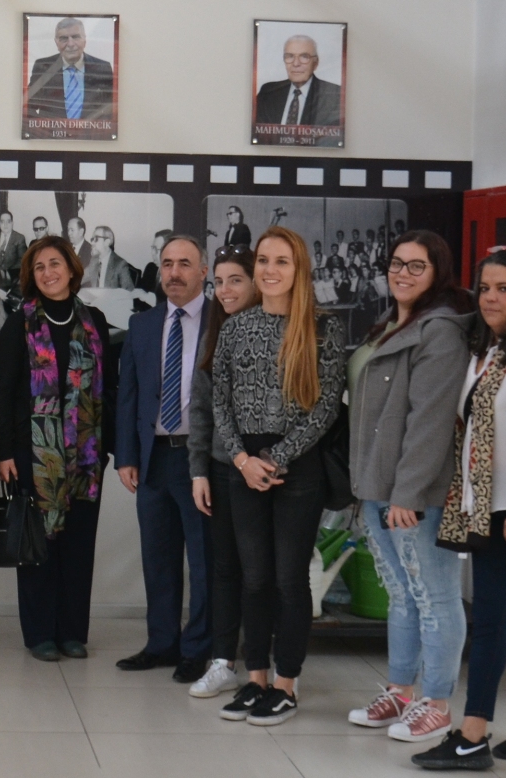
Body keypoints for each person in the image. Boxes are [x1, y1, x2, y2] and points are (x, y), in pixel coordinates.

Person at [189, 227, 345, 724]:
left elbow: (325, 408)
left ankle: (285, 685)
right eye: (263, 261)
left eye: (281, 261)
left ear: (299, 269)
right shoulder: (236, 326)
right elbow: (221, 401)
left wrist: (276, 459)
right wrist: (241, 459)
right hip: (244, 468)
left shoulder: (322, 328)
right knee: (253, 578)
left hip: (297, 468)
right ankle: (255, 679)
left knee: (288, 579)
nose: (270, 270)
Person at [417, 246, 506, 770]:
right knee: (490, 622)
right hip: (486, 510)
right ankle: (472, 735)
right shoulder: (487, 349)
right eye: (484, 288)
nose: (491, 298)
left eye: (505, 289)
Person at [345, 230, 473, 745]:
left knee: (434, 597)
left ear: (438, 273)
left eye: (417, 266)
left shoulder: (440, 331)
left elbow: (430, 421)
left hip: (413, 494)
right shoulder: (392, 323)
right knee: (401, 594)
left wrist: (408, 493)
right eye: (397, 263)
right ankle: (401, 692)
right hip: (377, 484)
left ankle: (436, 704)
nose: (402, 273)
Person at [0, 236, 117, 661]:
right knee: (40, 544)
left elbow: (110, 387)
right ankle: (40, 634)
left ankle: (72, 633)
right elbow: (1, 392)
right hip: (33, 455)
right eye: (39, 267)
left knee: (79, 545)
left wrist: (106, 447)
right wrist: (4, 452)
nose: (48, 273)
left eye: (55, 264)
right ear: (32, 276)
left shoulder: (94, 321)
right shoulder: (20, 323)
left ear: (71, 269)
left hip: (85, 454)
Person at [114, 235, 212, 683]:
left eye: (184, 264)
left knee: (204, 560)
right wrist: (126, 456)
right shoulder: (143, 325)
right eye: (168, 263)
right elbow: (129, 395)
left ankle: (198, 648)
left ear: (203, 271)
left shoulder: (223, 321)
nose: (174, 272)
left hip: (201, 461)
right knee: (158, 558)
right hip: (154, 458)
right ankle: (161, 643)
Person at [185, 250, 257, 698]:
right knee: (224, 569)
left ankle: (266, 667)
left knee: (263, 573)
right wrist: (199, 471)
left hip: (265, 471)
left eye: (236, 281)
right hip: (221, 468)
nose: (226, 291)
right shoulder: (215, 332)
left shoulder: (275, 329)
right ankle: (223, 661)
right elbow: (202, 409)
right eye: (220, 282)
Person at [24, 16, 116, 122]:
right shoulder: (43, 67)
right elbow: (29, 109)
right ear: (56, 42)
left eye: (76, 37)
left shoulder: (102, 68)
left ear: (84, 40)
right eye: (64, 39)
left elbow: (111, 110)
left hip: (91, 132)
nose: (70, 44)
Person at [254, 32, 342, 128]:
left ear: (316, 63)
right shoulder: (268, 93)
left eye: (304, 57)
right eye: (290, 56)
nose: (296, 63)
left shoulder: (334, 95)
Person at [84, 224, 140, 290]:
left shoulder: (120, 264)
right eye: (92, 239)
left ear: (107, 242)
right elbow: (80, 278)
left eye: (96, 239)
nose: (92, 243)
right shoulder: (94, 260)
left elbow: (129, 292)